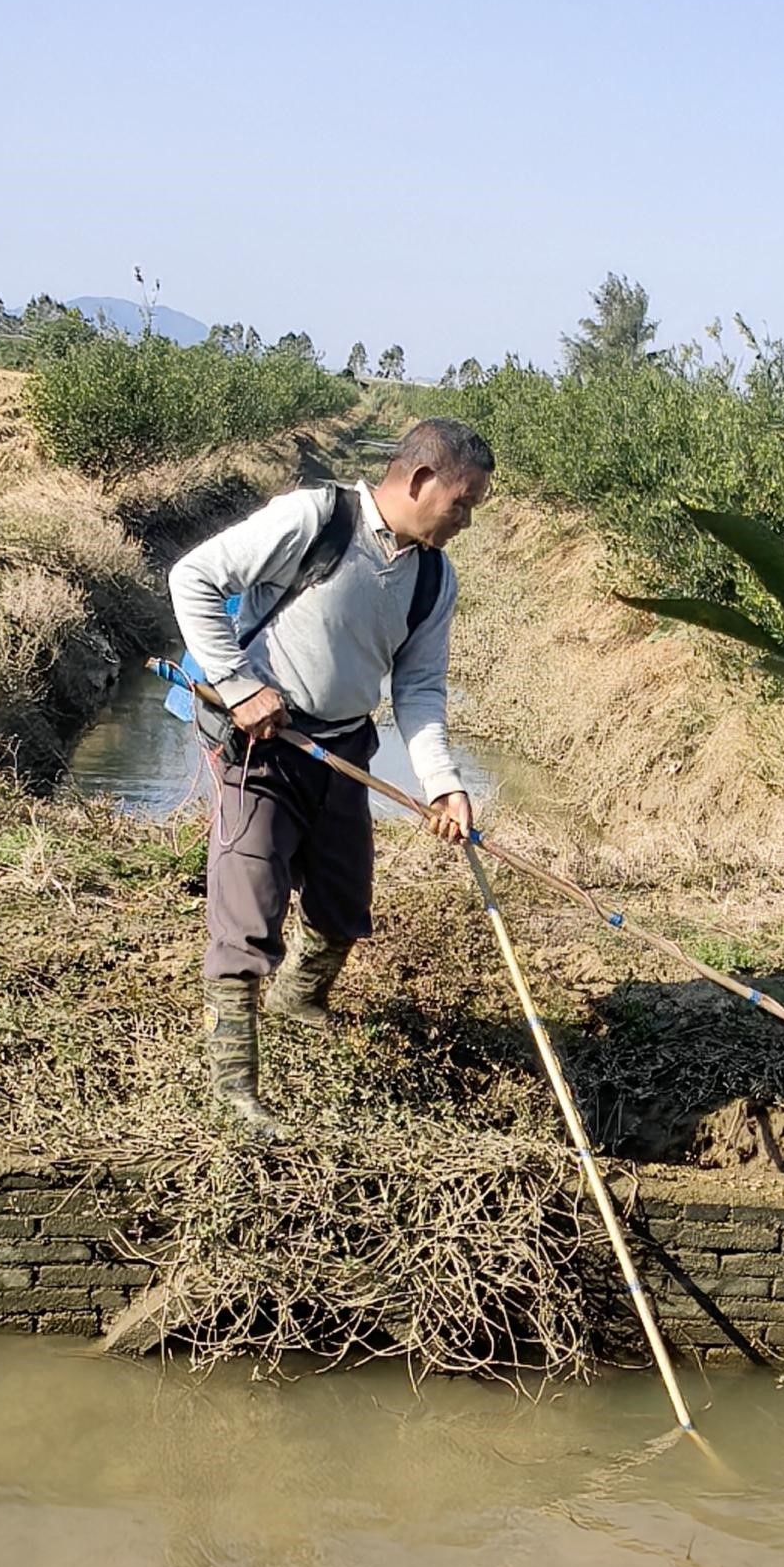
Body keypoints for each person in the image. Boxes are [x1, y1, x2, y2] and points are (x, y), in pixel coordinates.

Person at [168, 417, 494, 1139]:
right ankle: (235, 1090)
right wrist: (239, 685)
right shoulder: (316, 520)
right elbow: (192, 577)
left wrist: (443, 783)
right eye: (463, 503)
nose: (466, 521)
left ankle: (299, 1000)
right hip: (258, 746)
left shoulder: (433, 578)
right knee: (248, 910)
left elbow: (419, 689)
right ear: (420, 481)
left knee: (343, 902)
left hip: (342, 749)